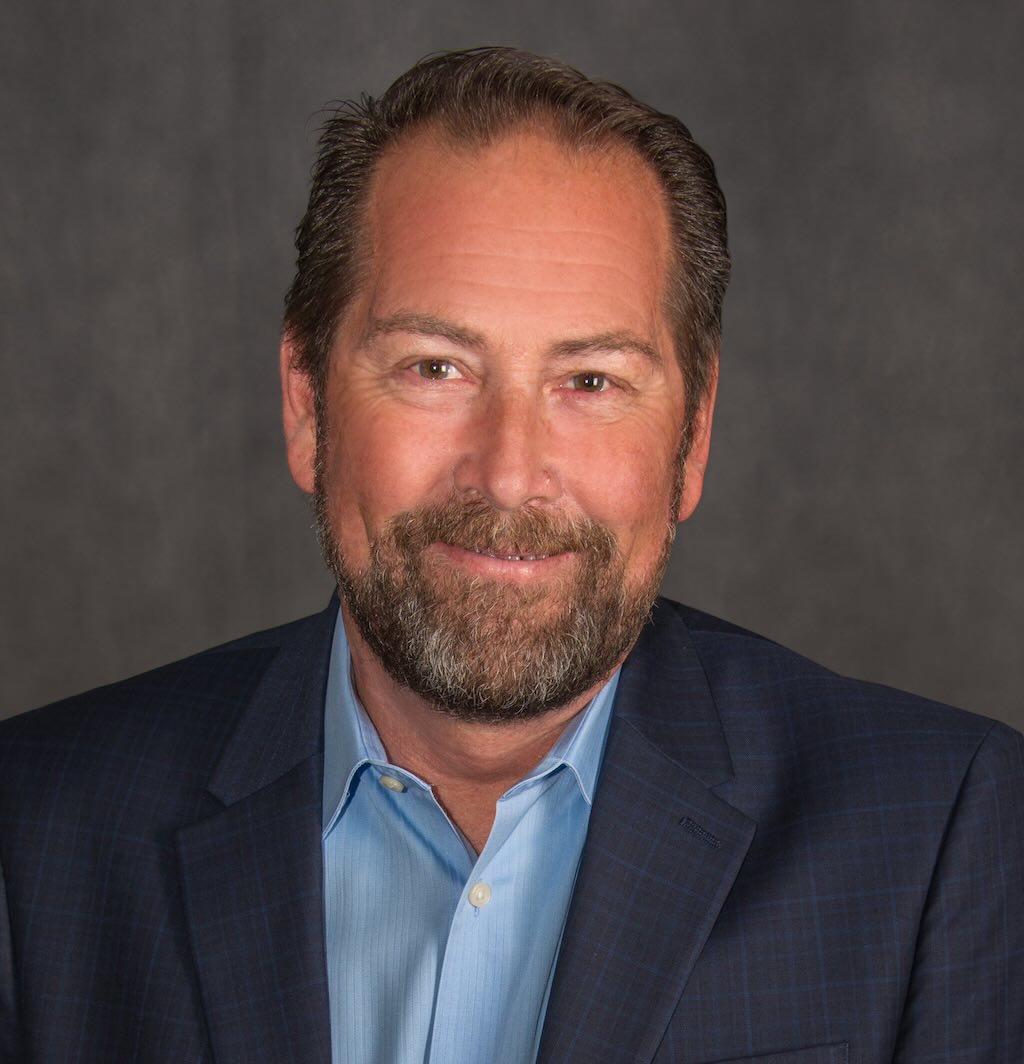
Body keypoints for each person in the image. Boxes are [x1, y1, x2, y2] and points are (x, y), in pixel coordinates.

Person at [1, 46, 1021, 1064]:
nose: (506, 474)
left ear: (694, 435)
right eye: (434, 367)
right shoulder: (34, 830)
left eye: (590, 381)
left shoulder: (939, 834)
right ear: (308, 404)